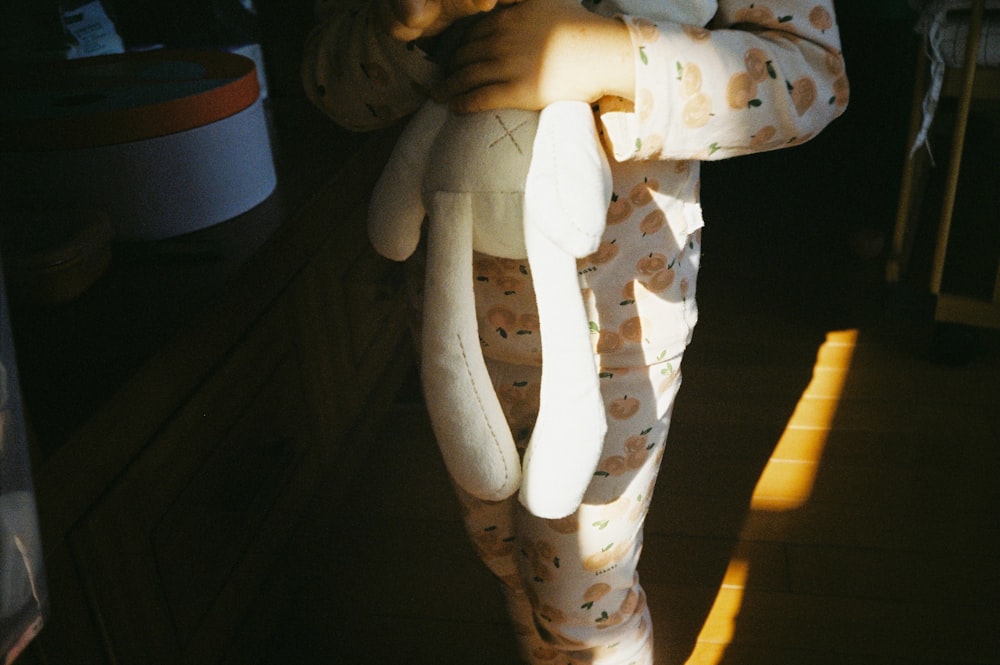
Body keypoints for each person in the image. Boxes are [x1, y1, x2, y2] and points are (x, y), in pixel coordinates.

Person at [303, 0, 848, 662]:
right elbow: (335, 88)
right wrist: (407, 27)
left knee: (585, 595)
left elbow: (811, 78)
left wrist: (602, 56)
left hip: (620, 339)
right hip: (459, 335)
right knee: (503, 553)